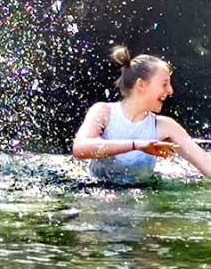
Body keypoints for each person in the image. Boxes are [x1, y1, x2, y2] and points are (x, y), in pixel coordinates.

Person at [73, 45, 211, 183]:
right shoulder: (104, 111)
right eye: (164, 84)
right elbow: (80, 149)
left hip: (141, 199)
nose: (170, 91)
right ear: (142, 85)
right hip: (96, 196)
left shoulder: (166, 126)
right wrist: (136, 145)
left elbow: (207, 165)